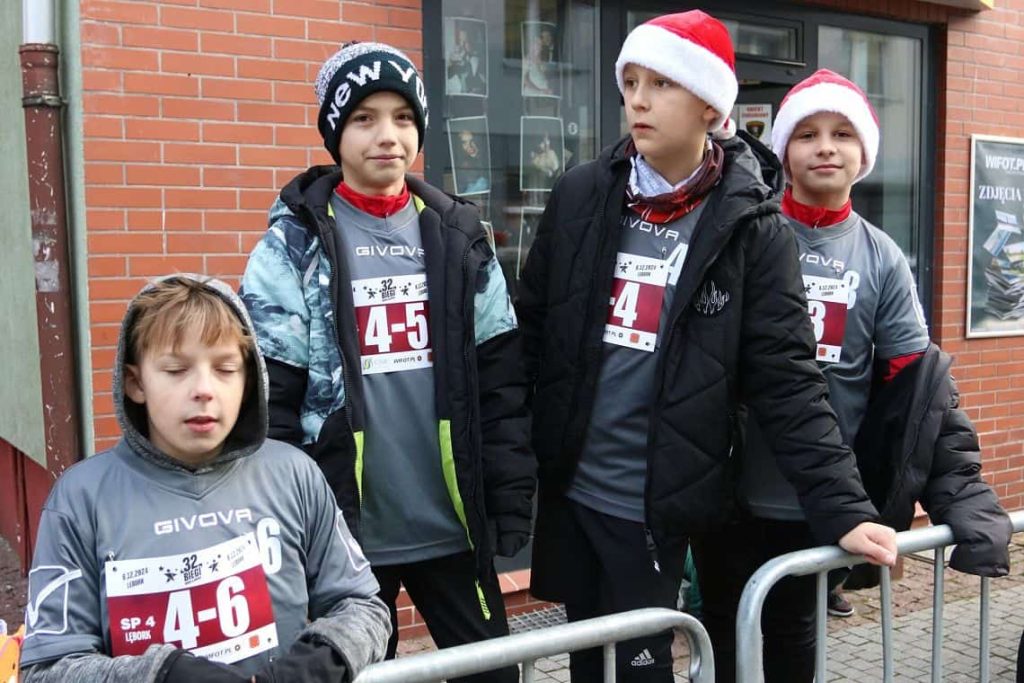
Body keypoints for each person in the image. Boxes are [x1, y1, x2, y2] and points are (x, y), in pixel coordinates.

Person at [517, 12, 897, 683]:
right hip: (574, 493)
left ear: (710, 106)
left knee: (640, 670)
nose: (638, 100)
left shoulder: (751, 227)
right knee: (589, 668)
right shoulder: (581, 194)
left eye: (661, 83)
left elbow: (787, 379)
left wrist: (842, 505)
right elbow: (532, 335)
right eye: (631, 82)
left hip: (656, 506)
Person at [698, 68, 1012, 683]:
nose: (825, 147)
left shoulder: (882, 257)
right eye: (807, 134)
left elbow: (920, 392)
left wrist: (964, 494)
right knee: (722, 637)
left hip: (818, 502)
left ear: (863, 154)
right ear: (784, 149)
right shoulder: (745, 235)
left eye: (842, 134)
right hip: (728, 493)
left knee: (794, 641)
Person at [240, 41, 534, 683]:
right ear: (335, 133)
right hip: (344, 536)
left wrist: (510, 495)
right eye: (364, 118)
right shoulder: (292, 247)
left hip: (451, 524)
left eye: (403, 117)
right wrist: (283, 523)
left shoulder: (460, 236)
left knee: (494, 674)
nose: (387, 135)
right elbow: (271, 406)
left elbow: (500, 380)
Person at [19, 275, 390, 683]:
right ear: (136, 382)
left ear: (249, 378)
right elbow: (47, 669)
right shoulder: (80, 500)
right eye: (176, 370)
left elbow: (363, 605)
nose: (204, 390)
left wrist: (321, 661)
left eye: (225, 369)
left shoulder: (295, 474)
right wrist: (162, 675)